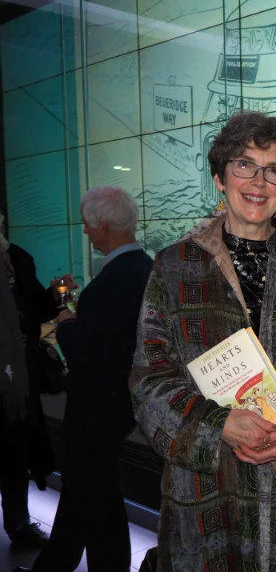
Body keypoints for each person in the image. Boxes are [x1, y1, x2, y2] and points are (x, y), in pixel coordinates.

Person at [129, 110, 276, 571]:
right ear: (220, 177)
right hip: (207, 499)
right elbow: (148, 381)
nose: (258, 181)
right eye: (244, 165)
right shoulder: (175, 268)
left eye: (273, 170)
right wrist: (217, 423)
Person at [16, 187, 154, 572]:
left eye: (89, 227)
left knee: (98, 503)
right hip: (115, 402)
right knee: (82, 493)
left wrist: (65, 327)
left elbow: (88, 351)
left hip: (96, 405)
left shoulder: (114, 279)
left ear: (105, 227)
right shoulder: (143, 269)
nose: (88, 234)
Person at [0, 211, 58, 551]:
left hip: (16, 382)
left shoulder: (18, 259)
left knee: (15, 455)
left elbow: (37, 308)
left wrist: (53, 294)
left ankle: (19, 525)